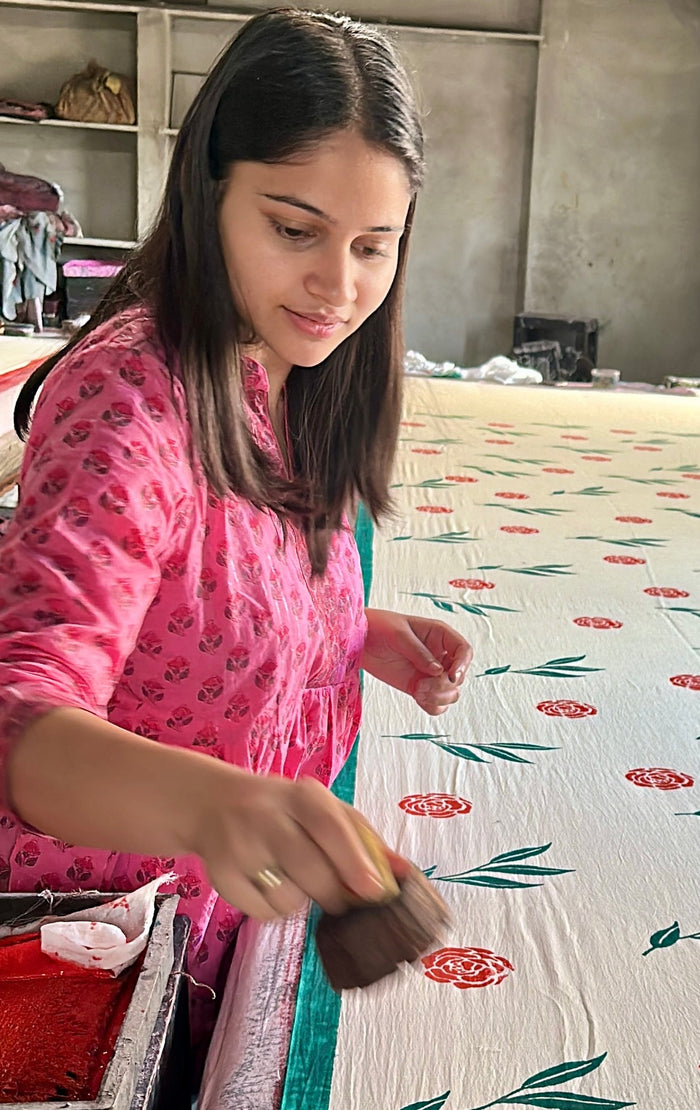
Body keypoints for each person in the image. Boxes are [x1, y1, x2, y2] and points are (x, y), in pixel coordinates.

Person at [0, 5, 471, 1071]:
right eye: (294, 229)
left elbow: (199, 578)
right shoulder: (134, 398)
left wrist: (344, 632)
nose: (339, 286)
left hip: (228, 927)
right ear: (209, 189)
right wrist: (221, 806)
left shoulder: (295, 378)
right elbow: (21, 719)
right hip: (93, 958)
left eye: (372, 246)